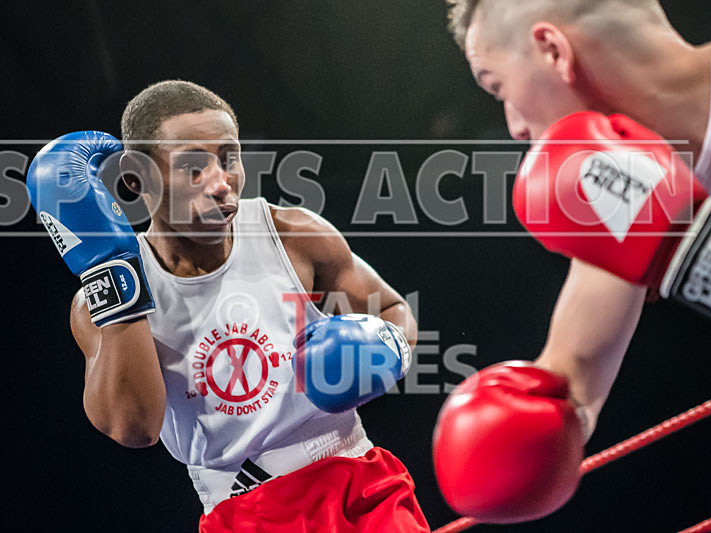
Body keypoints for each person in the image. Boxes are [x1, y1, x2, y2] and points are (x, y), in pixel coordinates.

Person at [26, 80, 429, 532]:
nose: (221, 184)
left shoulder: (292, 234)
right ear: (137, 181)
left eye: (229, 158)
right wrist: (110, 270)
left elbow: (393, 309)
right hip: (242, 514)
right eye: (193, 168)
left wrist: (383, 348)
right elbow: (134, 427)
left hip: (359, 488)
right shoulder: (103, 297)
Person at [432, 0, 711, 523]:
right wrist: (511, 434)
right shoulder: (628, 195)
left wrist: (704, 251)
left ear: (553, 50)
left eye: (498, 86)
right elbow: (565, 386)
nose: (514, 128)